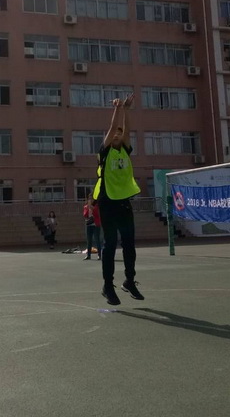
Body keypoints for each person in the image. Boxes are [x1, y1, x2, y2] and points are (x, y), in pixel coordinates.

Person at [93, 94, 143, 305]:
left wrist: (127, 111)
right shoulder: (105, 152)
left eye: (120, 133)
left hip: (123, 201)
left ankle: (129, 281)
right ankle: (107, 285)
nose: (117, 134)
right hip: (107, 201)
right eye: (114, 133)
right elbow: (114, 126)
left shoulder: (125, 150)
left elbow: (127, 130)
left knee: (129, 244)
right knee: (110, 244)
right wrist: (118, 107)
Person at [83, 195, 102, 261]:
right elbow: (85, 215)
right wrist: (88, 208)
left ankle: (99, 255)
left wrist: (92, 208)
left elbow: (97, 214)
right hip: (89, 225)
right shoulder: (86, 207)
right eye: (89, 199)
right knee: (89, 240)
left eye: (91, 199)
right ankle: (88, 255)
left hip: (96, 225)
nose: (90, 200)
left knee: (97, 240)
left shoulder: (96, 206)